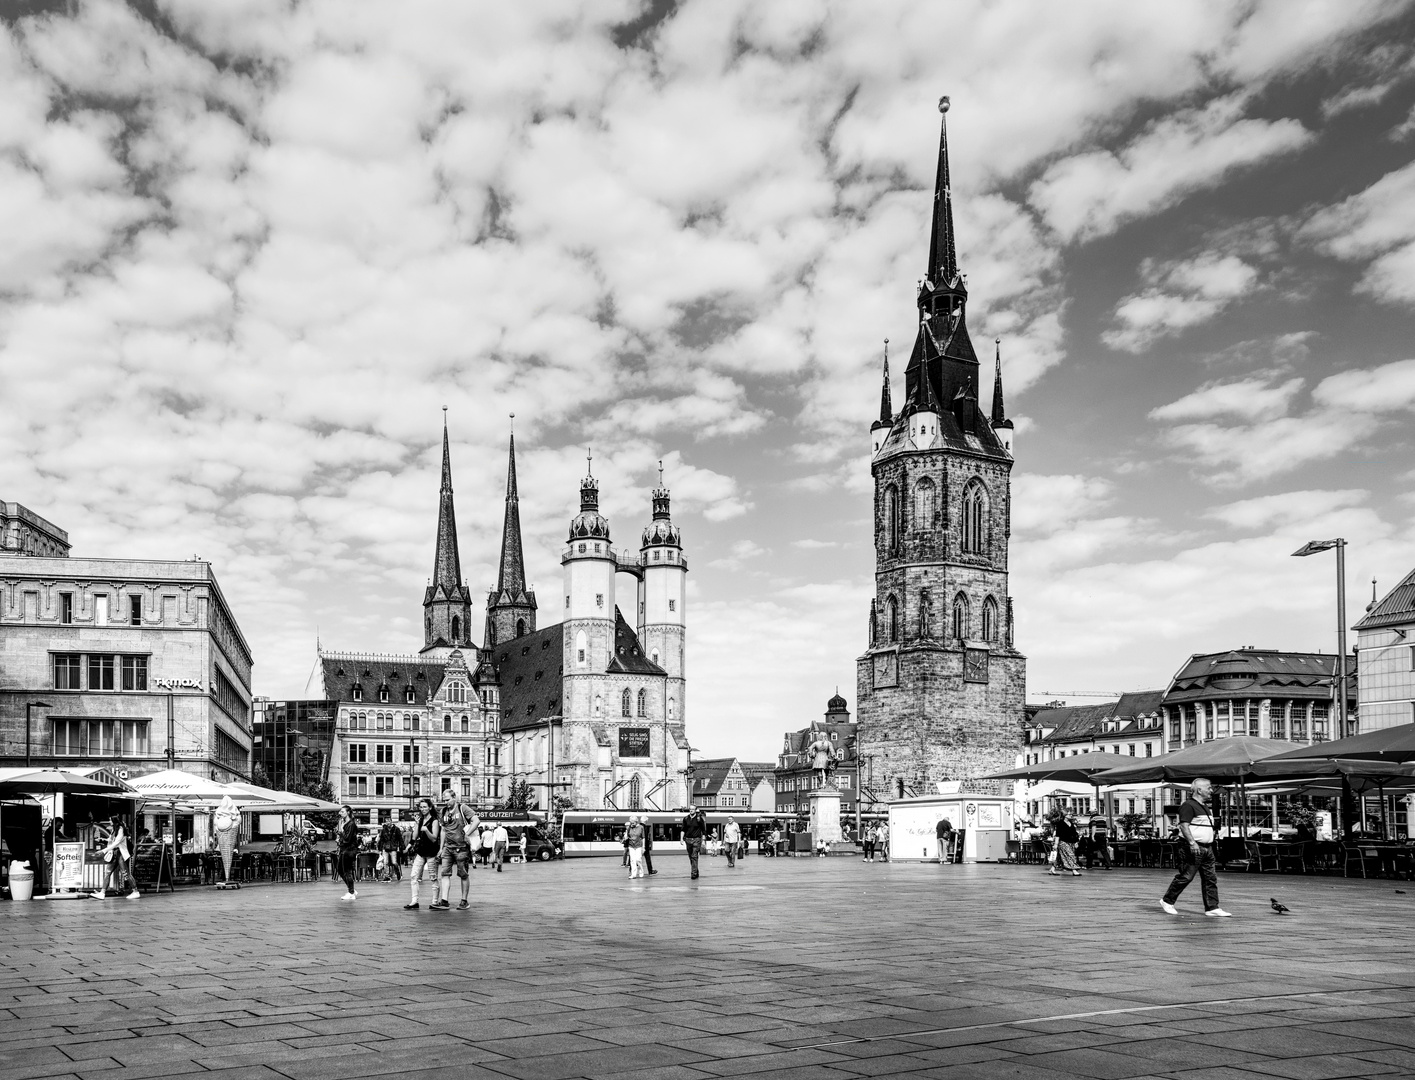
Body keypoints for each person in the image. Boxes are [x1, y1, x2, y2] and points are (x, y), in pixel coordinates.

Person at [1162, 778, 1231, 918]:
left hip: (1207, 847)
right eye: (1209, 788)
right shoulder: (1188, 805)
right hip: (1194, 847)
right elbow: (1184, 825)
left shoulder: (1205, 806)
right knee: (1186, 876)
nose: (1211, 791)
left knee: (1210, 878)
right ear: (1199, 790)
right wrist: (1192, 843)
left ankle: (1212, 907)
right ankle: (1167, 901)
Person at [433, 789, 477, 911]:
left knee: (463, 874)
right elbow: (443, 830)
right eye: (444, 800)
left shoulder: (463, 808)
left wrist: (467, 833)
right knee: (444, 874)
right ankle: (444, 901)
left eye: (448, 800)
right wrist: (441, 848)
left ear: (454, 797)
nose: (446, 802)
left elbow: (476, 820)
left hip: (462, 847)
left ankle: (464, 901)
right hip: (448, 847)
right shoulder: (443, 811)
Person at [405, 798, 439, 910]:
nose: (423, 809)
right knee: (413, 876)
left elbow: (434, 838)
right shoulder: (420, 821)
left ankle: (435, 901)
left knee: (433, 877)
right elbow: (414, 837)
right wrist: (408, 847)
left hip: (431, 852)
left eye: (425, 807)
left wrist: (426, 830)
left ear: (430, 807)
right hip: (421, 851)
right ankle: (414, 901)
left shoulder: (434, 821)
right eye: (421, 807)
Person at [92, 815, 138, 900]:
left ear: (114, 821)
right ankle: (102, 893)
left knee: (126, 874)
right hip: (114, 853)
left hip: (120, 854)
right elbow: (110, 841)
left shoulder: (121, 829)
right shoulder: (114, 830)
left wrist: (103, 851)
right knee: (107, 872)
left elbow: (116, 843)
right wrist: (101, 840)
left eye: (110, 820)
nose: (109, 822)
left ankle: (135, 891)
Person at [334, 806, 359, 901]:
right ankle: (351, 889)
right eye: (340, 811)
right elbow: (344, 838)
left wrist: (340, 832)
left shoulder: (351, 824)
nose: (340, 813)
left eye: (342, 811)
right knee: (340, 869)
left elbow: (348, 839)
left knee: (347, 871)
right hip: (344, 849)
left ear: (348, 812)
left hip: (349, 850)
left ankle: (351, 893)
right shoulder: (345, 823)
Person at [1048, 812, 1081, 877]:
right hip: (1063, 842)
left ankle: (1052, 869)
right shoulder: (1060, 824)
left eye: (1071, 814)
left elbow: (1074, 834)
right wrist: (1056, 844)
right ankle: (1074, 870)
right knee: (1070, 855)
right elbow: (1058, 835)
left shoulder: (1071, 823)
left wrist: (1076, 842)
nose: (1071, 815)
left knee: (1059, 857)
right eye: (1069, 814)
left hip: (1071, 842)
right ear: (1065, 816)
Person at [682, 805, 707, 879]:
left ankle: (693, 873)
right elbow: (683, 829)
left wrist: (703, 841)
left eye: (692, 809)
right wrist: (681, 839)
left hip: (697, 839)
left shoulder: (699, 819)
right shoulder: (686, 818)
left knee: (694, 856)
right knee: (691, 857)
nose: (691, 810)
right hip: (688, 840)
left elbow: (703, 830)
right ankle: (696, 871)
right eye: (690, 809)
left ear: (695, 810)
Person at [625, 815, 647, 879]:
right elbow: (627, 836)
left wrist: (643, 847)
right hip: (631, 845)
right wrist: (625, 836)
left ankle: (641, 871)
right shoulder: (629, 828)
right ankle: (633, 874)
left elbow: (643, 838)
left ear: (636, 821)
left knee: (638, 859)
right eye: (631, 822)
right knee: (632, 860)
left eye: (633, 823)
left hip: (638, 845)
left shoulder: (641, 827)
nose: (632, 824)